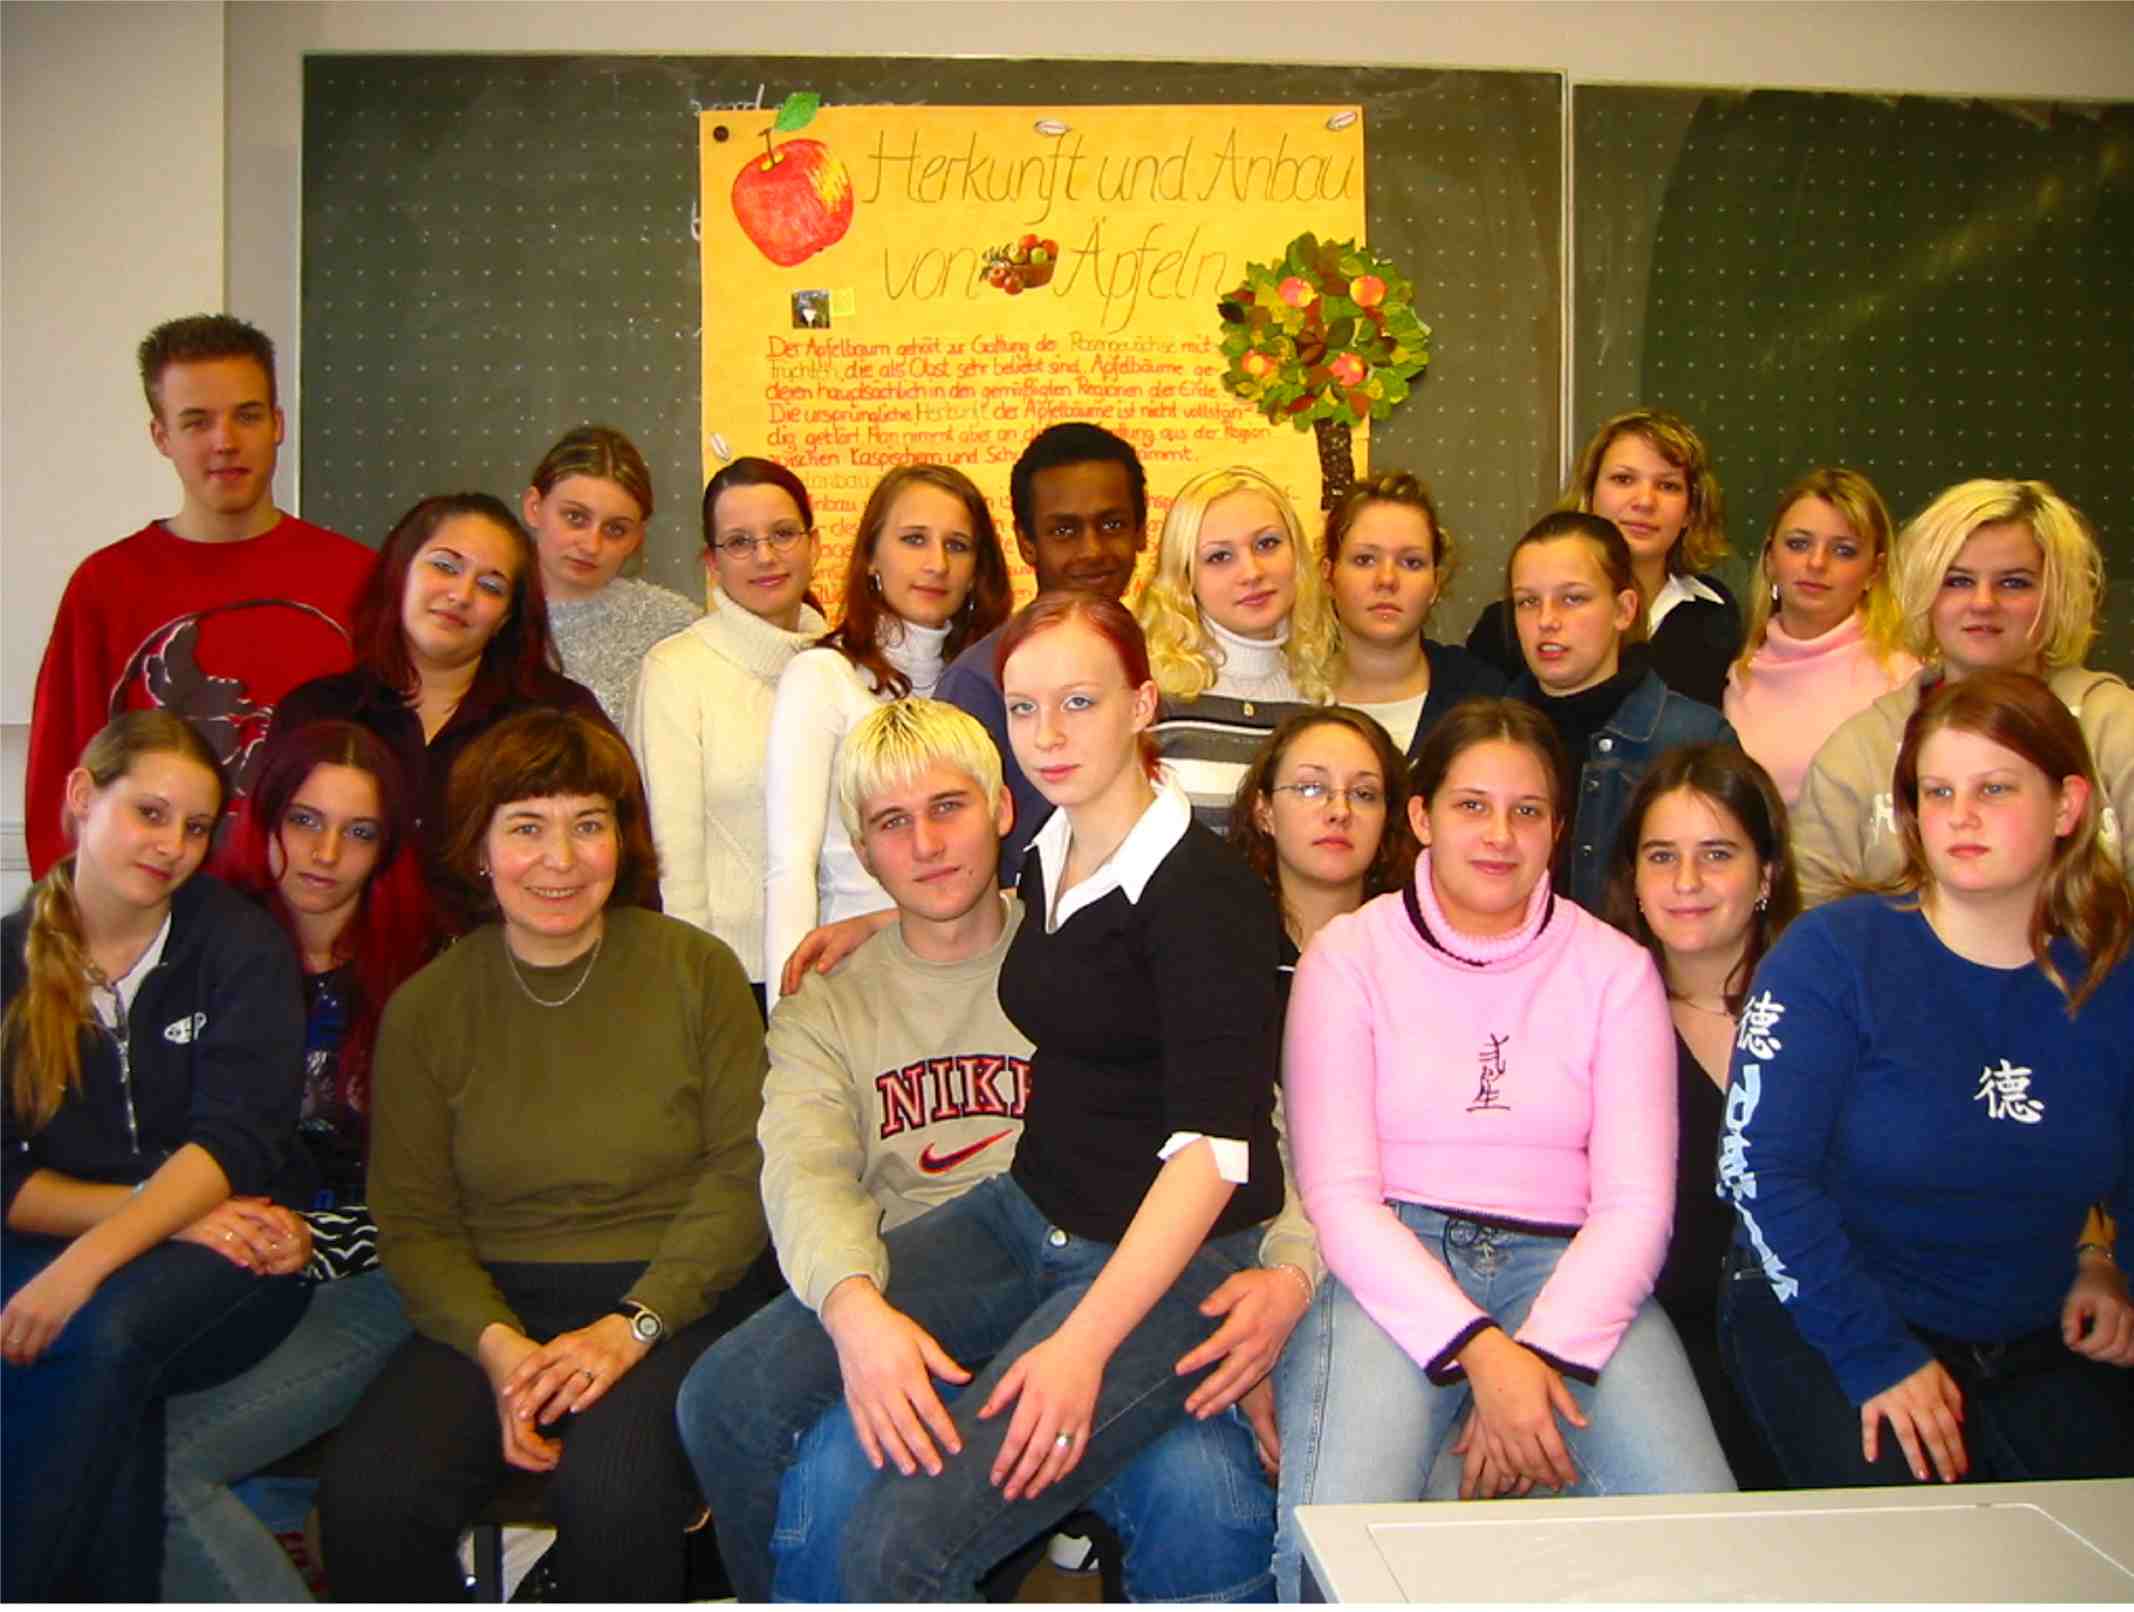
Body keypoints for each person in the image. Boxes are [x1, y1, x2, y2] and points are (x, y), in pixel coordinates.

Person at [682, 697, 1310, 1602]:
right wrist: (856, 1311)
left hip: (1119, 1278)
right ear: (862, 851)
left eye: (949, 808)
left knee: (1209, 1493)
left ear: (1003, 810)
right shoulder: (830, 1001)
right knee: (800, 1460)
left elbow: (1254, 1120)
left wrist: (1290, 1272)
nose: (928, 845)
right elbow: (803, 1173)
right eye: (893, 824)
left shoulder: (1094, 936)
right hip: (932, 1295)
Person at [1274, 699, 1735, 1601]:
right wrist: (1484, 1355)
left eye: (1527, 811)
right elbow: (1339, 1199)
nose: (1499, 835)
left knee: (1710, 1547)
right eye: (1471, 806)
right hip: (1394, 1262)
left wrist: (1542, 1361)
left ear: (1558, 829)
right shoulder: (1348, 957)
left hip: (1571, 1269)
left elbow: (1637, 1206)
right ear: (1421, 817)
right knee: (1333, 1564)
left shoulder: (1614, 969)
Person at [315, 708, 773, 1601]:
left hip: (677, 1298)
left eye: (587, 825)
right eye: (527, 828)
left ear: (621, 840)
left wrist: (632, 1326)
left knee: (613, 1489)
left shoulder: (698, 970)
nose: (561, 860)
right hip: (492, 1306)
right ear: (479, 850)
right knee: (369, 1502)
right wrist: (502, 1354)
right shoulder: (428, 1008)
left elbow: (742, 1176)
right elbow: (413, 1223)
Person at [1719, 670, 2134, 1488]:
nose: (1961, 815)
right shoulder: (1832, 955)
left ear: (2068, 806)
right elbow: (1759, 1171)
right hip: (1831, 1310)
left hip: (2035, 1326)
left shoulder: (2114, 978)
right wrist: (1875, 1354)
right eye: (1937, 791)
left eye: (1995, 788)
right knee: (1932, 1544)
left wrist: (2112, 1269)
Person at [2, 712, 310, 1600]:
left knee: (99, 1335)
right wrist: (161, 1219)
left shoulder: (238, 946)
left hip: (234, 1261)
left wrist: (84, 1266)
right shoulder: (7, 963)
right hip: (138, 1230)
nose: (172, 845)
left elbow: (237, 1141)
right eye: (149, 812)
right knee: (101, 1390)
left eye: (197, 827)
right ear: (80, 796)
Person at [160, 720, 436, 1599]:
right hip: (216, 1262)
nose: (324, 854)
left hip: (373, 1274)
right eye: (304, 821)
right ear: (266, 818)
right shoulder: (197, 950)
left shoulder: (427, 972)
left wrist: (322, 1241)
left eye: (358, 832)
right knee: (77, 1418)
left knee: (158, 1465)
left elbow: (451, 1190)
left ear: (386, 849)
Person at [24, 314, 374, 877]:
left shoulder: (360, 578)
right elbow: (59, 783)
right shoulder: (106, 586)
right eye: (196, 422)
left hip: (318, 907)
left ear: (278, 424)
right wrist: (68, 911)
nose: (225, 442)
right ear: (161, 437)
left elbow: (393, 770)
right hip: (154, 910)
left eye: (247, 416)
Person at [271, 491, 614, 924]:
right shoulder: (316, 712)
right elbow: (262, 862)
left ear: (506, 617)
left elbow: (623, 872)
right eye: (446, 566)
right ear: (401, 572)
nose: (461, 594)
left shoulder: (561, 716)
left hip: (509, 961)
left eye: (491, 586)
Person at [1792, 479, 2134, 906]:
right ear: (1925, 592)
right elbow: (1810, 915)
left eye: (2014, 583)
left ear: (2056, 595)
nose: (1983, 602)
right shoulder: (1860, 751)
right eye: (1957, 581)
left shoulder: (2116, 726)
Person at [1602, 744, 1797, 1489]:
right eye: (1662, 856)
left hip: (1817, 1339)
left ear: (1766, 874)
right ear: (1633, 877)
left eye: (1717, 854)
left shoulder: (1828, 1009)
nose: (1686, 882)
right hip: (1655, 1355)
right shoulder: (1598, 1017)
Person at [763, 463, 1012, 1009]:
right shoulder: (821, 676)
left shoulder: (992, 683)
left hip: (981, 978)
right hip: (859, 981)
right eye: (914, 539)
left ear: (978, 571)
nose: (937, 563)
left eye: (957, 545)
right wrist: (787, 1015)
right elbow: (789, 864)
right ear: (871, 557)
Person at [629, 457, 827, 1015]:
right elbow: (670, 855)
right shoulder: (675, 670)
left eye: (783, 534)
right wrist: (693, 982)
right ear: (712, 563)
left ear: (814, 545)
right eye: (740, 542)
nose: (766, 556)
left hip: (841, 965)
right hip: (730, 978)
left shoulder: (846, 664)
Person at [939, 422, 1151, 885]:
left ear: (1142, 530)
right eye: (1064, 530)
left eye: (1112, 524)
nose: (1092, 550)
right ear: (1026, 542)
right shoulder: (980, 681)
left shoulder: (1173, 661)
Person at [1503, 511, 1736, 913]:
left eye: (1572, 599)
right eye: (1528, 602)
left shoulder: (1694, 740)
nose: (1546, 621)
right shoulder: (1485, 739)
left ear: (1624, 610)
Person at [1469, 408, 1737, 707]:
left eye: (1667, 486)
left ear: (1690, 511)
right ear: (1589, 493)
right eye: (1623, 479)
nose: (1645, 501)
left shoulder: (1715, 613)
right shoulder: (1506, 627)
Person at [1136, 467, 1337, 832]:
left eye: (1267, 544)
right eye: (1219, 557)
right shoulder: (1148, 699)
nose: (1251, 572)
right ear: (1185, 578)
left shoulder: (1322, 694)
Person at [1724, 468, 1919, 803]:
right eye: (1798, 544)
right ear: (1770, 559)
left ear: (1874, 571)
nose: (1816, 563)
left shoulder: (1904, 682)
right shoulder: (1737, 677)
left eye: (1843, 550)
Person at [521, 424, 701, 729]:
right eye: (575, 517)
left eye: (615, 529)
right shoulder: (485, 612)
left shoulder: (675, 627)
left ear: (637, 538)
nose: (591, 545)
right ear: (534, 507)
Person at [1321, 471, 1504, 761]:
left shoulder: (1482, 698)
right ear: (1329, 576)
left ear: (1435, 584)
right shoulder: (1288, 694)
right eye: (1365, 559)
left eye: (1411, 562)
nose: (1387, 580)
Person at [1228, 706, 1420, 970]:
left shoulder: (1417, 958)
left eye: (1364, 794)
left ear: (1388, 818)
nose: (1340, 812)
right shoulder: (1219, 949)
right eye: (1311, 788)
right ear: (1264, 812)